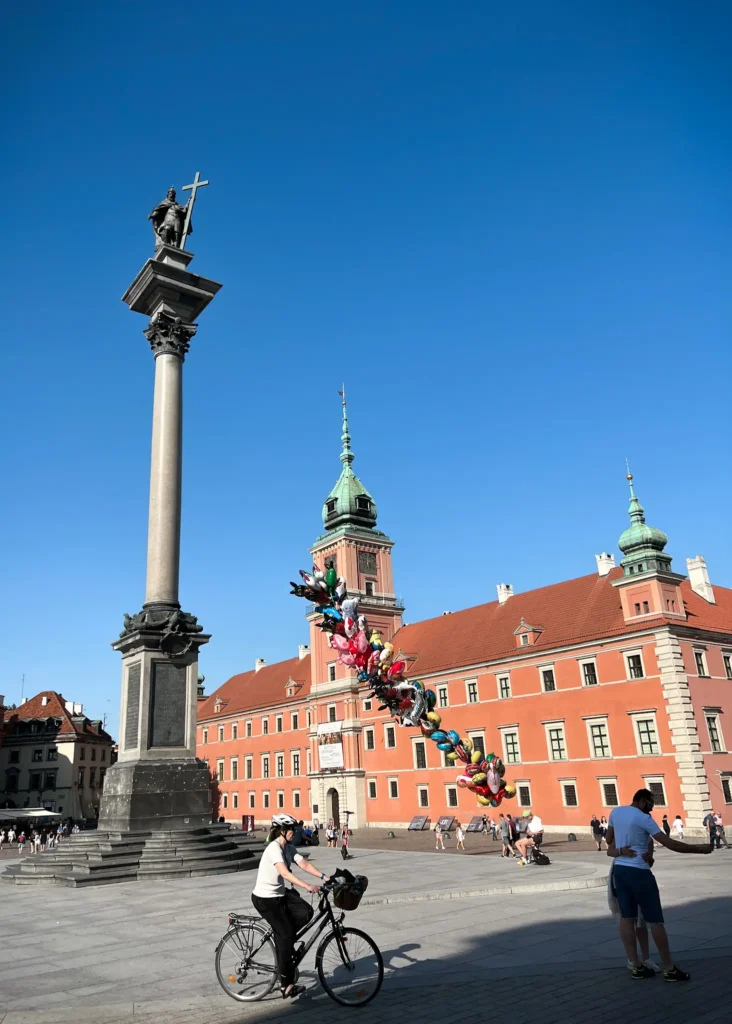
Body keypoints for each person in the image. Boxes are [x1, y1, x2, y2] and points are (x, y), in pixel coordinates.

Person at [606, 788, 712, 981]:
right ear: (642, 800)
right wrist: (700, 849)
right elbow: (672, 844)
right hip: (639, 872)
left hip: (620, 871)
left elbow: (608, 840)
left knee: (627, 918)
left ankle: (636, 966)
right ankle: (669, 968)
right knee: (655, 920)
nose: (652, 808)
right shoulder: (643, 819)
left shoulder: (615, 812)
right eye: (651, 803)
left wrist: (622, 848)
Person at [251, 813, 328, 1000]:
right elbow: (285, 874)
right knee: (285, 935)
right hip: (265, 899)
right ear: (283, 831)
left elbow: (304, 864)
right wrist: (308, 886)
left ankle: (284, 943)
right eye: (292, 829)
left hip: (280, 895)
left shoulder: (289, 848)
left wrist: (325, 877)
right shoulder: (274, 848)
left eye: (295, 829)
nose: (295, 832)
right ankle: (285, 985)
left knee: (306, 912)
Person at [607, 832, 661, 974]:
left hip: (641, 875)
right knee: (628, 917)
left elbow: (650, 861)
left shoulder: (647, 838)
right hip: (622, 875)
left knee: (641, 920)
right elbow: (610, 851)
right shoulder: (622, 833)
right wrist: (622, 851)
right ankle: (632, 960)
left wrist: (649, 859)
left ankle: (646, 958)